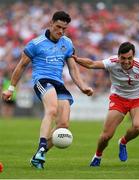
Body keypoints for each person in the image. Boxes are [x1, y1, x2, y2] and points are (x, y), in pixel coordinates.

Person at [2, 11, 93, 169]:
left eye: (64, 29)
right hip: (42, 80)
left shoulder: (67, 43)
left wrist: (82, 86)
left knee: (63, 125)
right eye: (58, 27)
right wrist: (11, 88)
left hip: (58, 83)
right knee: (51, 109)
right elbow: (21, 66)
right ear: (51, 24)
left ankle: (39, 154)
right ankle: (41, 148)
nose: (60, 31)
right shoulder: (36, 44)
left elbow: (73, 68)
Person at [72, 41, 139, 166]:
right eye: (123, 58)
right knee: (106, 136)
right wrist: (77, 59)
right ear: (118, 57)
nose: (126, 62)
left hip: (138, 99)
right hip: (118, 99)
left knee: (138, 126)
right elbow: (92, 64)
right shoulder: (112, 62)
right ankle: (97, 155)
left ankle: (123, 142)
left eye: (129, 58)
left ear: (134, 56)